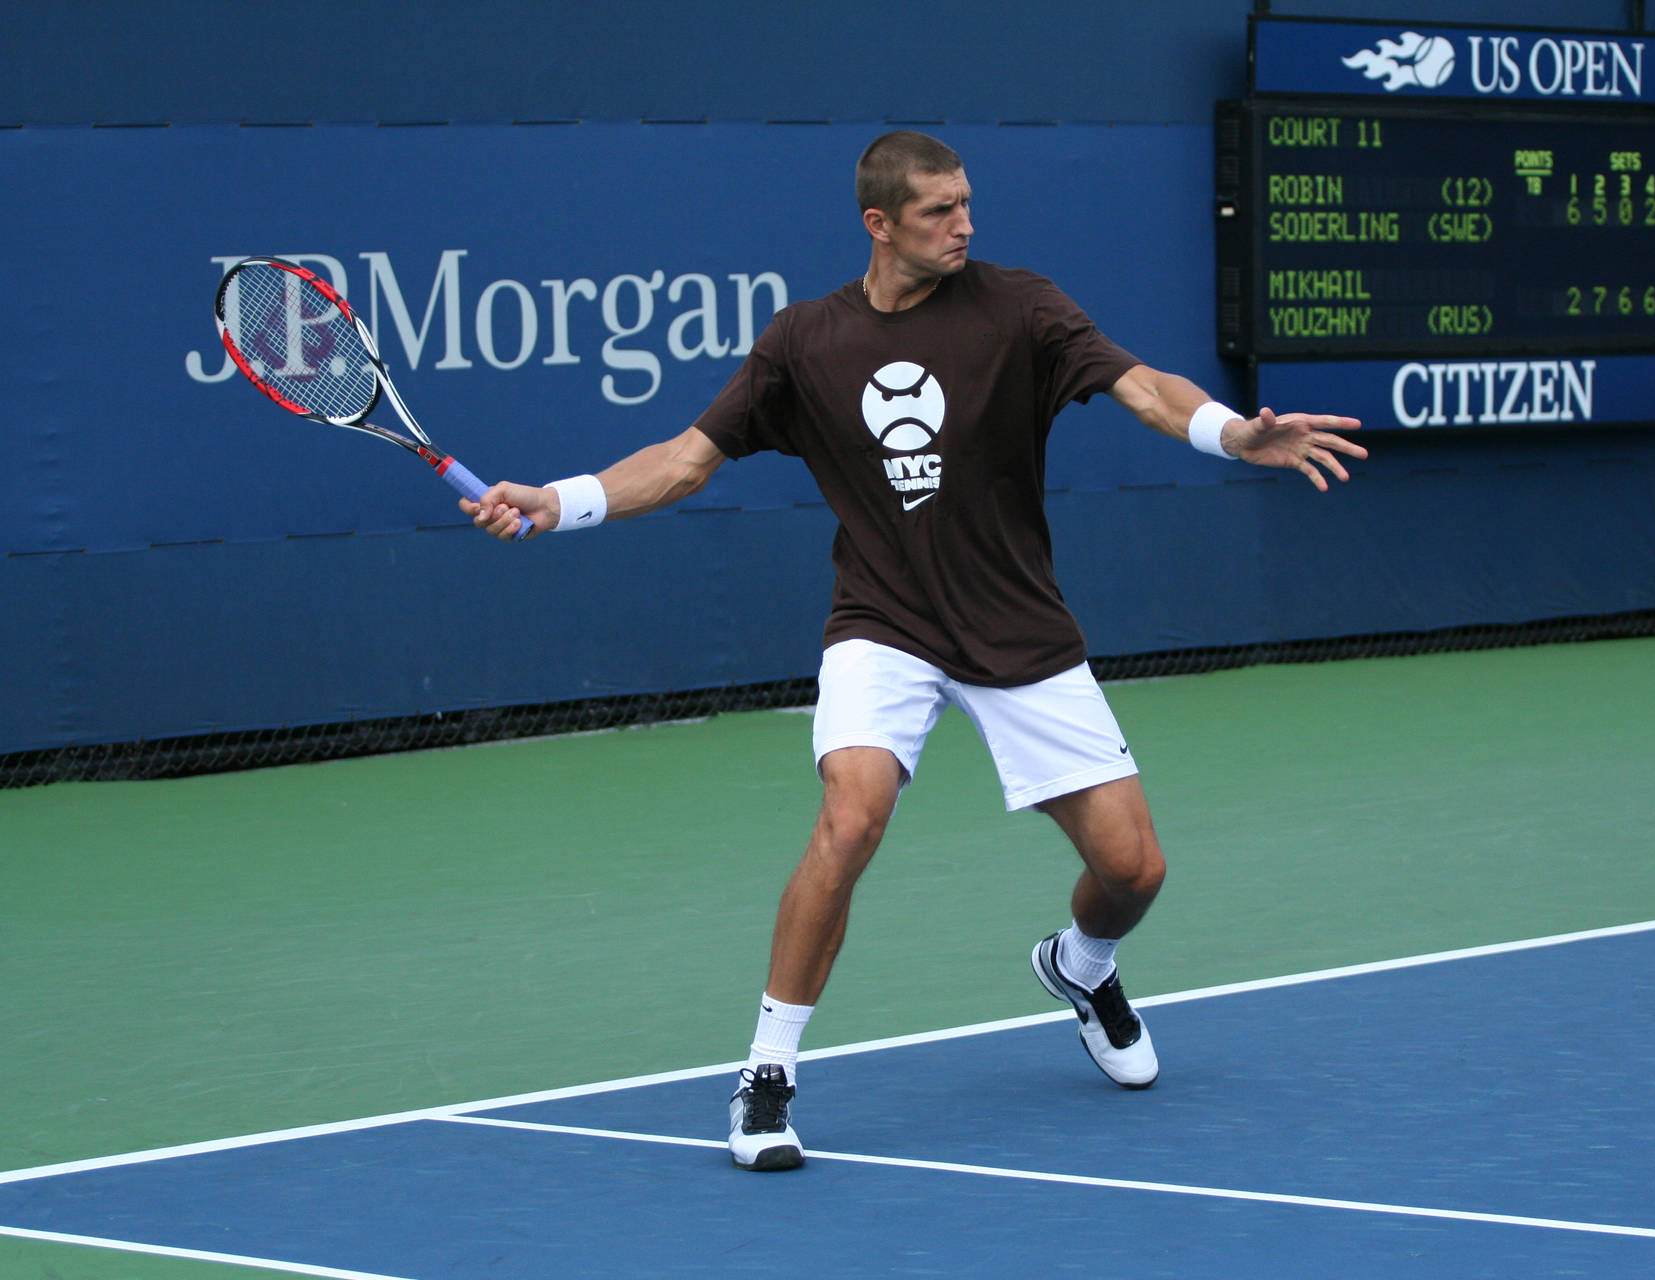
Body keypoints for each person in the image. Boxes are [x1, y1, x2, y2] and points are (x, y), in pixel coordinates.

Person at [464, 130, 1366, 1172]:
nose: (966, 224)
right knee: (851, 817)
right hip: (883, 621)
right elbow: (682, 461)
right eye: (941, 210)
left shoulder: (1021, 307)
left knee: (1132, 865)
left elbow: (1143, 388)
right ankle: (767, 1074)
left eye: (968, 203)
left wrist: (1227, 433)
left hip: (1016, 623)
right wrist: (558, 501)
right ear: (879, 224)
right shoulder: (804, 341)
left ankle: (1081, 964)